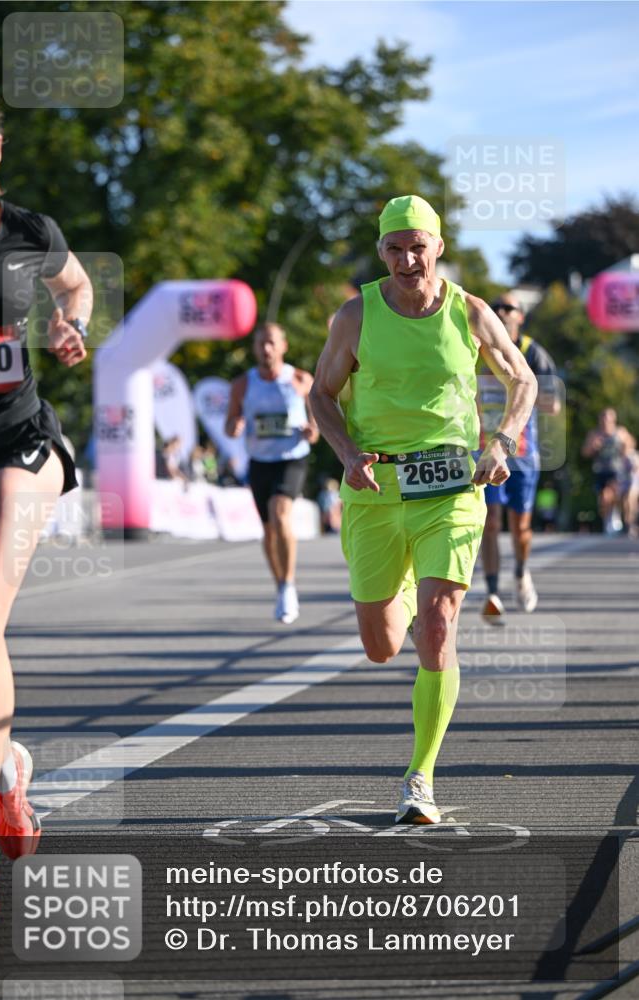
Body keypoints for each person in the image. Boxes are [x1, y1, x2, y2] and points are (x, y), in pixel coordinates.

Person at [310, 195, 537, 825]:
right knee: (382, 645)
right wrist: (348, 452)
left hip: (452, 489)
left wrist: (502, 440)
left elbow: (523, 380)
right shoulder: (357, 315)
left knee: (438, 629)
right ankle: (404, 596)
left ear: (438, 246)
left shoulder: (470, 311)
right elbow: (321, 395)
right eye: (394, 248)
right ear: (380, 252)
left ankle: (420, 776)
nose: (408, 259)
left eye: (418, 246)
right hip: (376, 489)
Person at [0, 87, 91, 922]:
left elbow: (76, 285)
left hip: (19, 439)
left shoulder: (28, 233)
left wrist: (68, 323)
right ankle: (9, 769)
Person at [225, 322, 319, 624]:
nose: (266, 349)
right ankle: (279, 583)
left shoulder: (301, 380)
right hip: (259, 461)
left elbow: (318, 426)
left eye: (271, 343)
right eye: (260, 344)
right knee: (268, 529)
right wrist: (235, 426)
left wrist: (311, 430)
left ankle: (289, 584)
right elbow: (230, 425)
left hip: (291, 458)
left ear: (283, 346)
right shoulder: (242, 384)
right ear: (254, 348)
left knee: (280, 514)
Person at [477, 293, 560, 622]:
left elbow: (553, 403)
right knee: (491, 522)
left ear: (520, 317)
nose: (501, 311)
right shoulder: (478, 348)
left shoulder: (532, 352)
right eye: (497, 306)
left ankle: (522, 572)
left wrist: (520, 390)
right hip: (484, 446)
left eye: (509, 307)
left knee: (520, 525)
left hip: (523, 451)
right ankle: (493, 592)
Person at [582, 408, 629, 535]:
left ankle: (615, 516)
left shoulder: (620, 432)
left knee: (614, 494)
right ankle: (608, 519)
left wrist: (625, 447)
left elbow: (630, 447)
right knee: (603, 497)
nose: (605, 421)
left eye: (607, 418)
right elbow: (585, 452)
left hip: (616, 469)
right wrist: (593, 446)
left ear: (613, 419)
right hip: (600, 469)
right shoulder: (595, 434)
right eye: (603, 418)